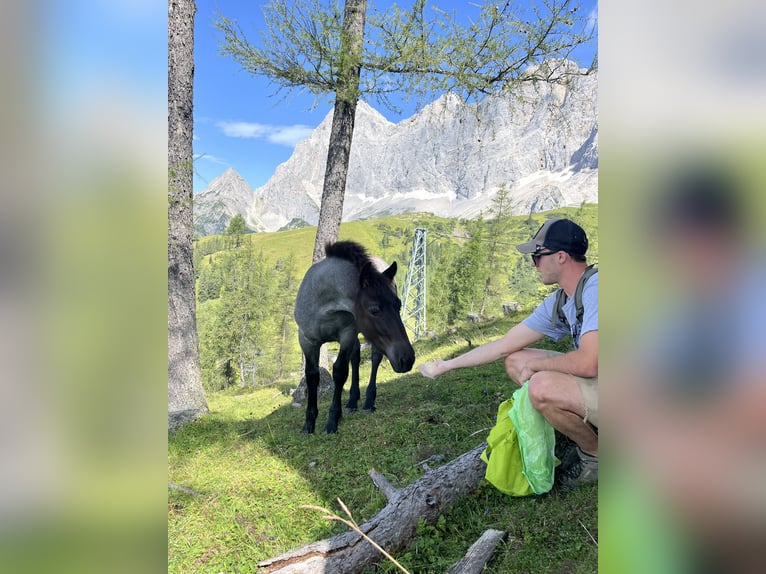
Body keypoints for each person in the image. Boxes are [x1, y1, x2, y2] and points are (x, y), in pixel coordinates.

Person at [418, 218, 598, 489]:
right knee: (516, 360)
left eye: (537, 256)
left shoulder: (597, 290)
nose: (533, 264)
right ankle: (586, 425)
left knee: (540, 386)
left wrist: (538, 366)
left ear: (560, 257)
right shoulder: (564, 298)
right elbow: (505, 345)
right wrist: (445, 365)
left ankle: (596, 456)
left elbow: (588, 363)